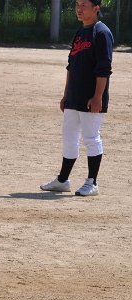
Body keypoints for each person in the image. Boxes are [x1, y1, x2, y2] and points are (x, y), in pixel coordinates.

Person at [39, 0, 113, 197]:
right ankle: (63, 180)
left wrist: (97, 97)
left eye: (84, 5)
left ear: (96, 8)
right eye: (77, 4)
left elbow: (104, 68)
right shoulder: (80, 32)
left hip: (91, 97)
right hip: (74, 96)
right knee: (69, 137)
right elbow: (71, 66)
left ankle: (92, 182)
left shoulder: (102, 32)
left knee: (91, 137)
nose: (79, 9)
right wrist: (66, 94)